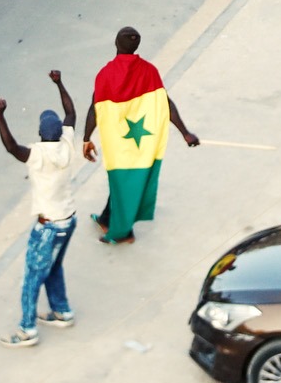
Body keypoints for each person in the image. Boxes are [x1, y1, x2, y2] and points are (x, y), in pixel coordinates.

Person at [83, 27, 199, 244]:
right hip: (143, 141)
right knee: (124, 182)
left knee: (123, 182)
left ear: (116, 44)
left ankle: (122, 233)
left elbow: (95, 109)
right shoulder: (149, 71)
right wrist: (185, 133)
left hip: (118, 142)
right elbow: (165, 103)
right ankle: (107, 218)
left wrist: (86, 138)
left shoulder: (106, 74)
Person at [0, 70, 78, 348]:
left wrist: (0, 115)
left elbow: (10, 146)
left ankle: (27, 329)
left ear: (40, 134)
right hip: (68, 219)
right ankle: (61, 311)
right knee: (53, 267)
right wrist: (59, 83)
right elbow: (71, 112)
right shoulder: (67, 146)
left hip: (48, 226)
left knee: (32, 276)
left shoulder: (36, 155)